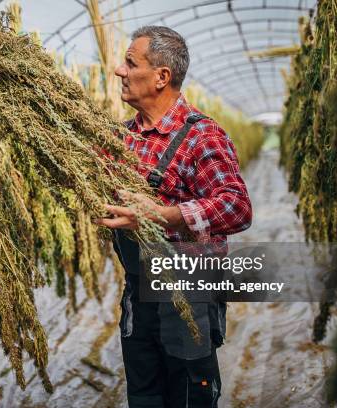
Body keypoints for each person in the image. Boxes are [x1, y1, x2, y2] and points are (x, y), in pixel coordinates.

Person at [93, 26, 252, 408]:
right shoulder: (122, 138)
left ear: (162, 76)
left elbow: (237, 206)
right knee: (145, 396)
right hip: (140, 293)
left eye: (130, 63)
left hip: (191, 295)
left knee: (187, 397)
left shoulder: (202, 136)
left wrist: (164, 215)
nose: (119, 71)